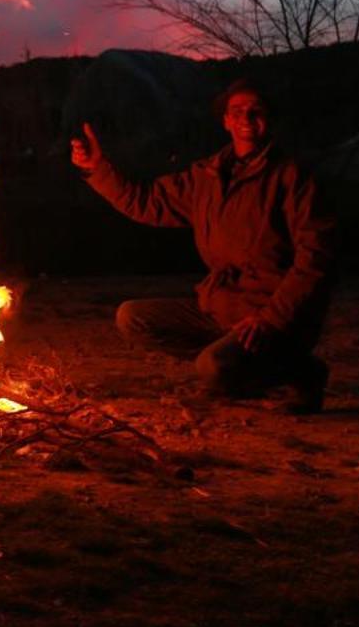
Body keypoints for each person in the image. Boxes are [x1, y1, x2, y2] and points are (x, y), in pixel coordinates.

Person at [71, 78, 334, 414]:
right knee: (133, 317)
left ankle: (303, 372)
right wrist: (98, 168)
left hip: (275, 316)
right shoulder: (208, 177)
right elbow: (147, 201)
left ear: (269, 119)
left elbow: (315, 261)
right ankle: (241, 364)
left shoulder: (294, 179)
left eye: (256, 112)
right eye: (236, 112)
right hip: (222, 307)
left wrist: (271, 318)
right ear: (225, 120)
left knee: (213, 368)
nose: (246, 119)